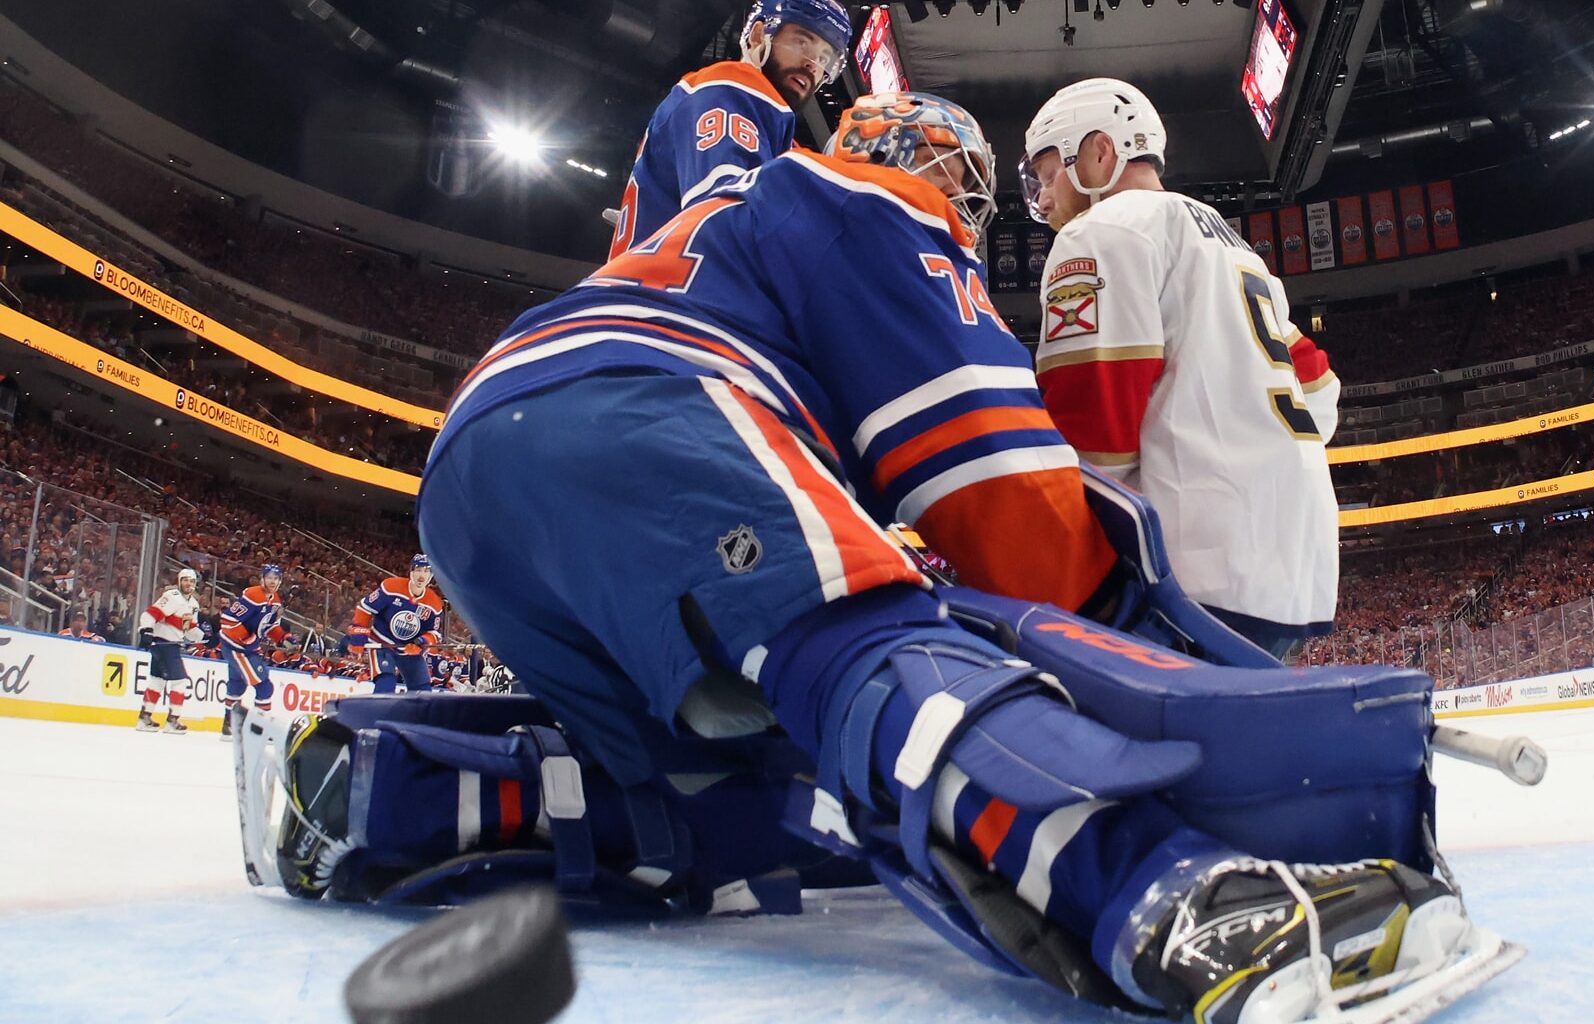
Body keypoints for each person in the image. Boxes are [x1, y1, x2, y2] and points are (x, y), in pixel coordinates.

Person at [241, 93, 1485, 1024]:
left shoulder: (726, 224)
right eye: (972, 177)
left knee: (718, 805)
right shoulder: (871, 199)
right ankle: (1180, 902)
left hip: (483, 472)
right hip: (653, 405)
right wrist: (1121, 646)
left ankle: (383, 787)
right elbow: (998, 487)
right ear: (917, 159)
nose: (979, 200)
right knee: (876, 652)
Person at [1019, 78, 1340, 658]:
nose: (1041, 199)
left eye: (1047, 175)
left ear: (1099, 152)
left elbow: (1095, 436)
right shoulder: (1232, 242)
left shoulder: (1099, 233)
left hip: (1196, 569)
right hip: (1295, 561)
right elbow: (1319, 391)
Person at [604, 0, 851, 256]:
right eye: (803, 42)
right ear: (758, 35)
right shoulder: (729, 86)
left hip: (665, 285)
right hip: (669, 289)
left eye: (824, 58)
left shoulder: (782, 140)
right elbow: (724, 221)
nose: (814, 64)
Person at [348, 554, 446, 694]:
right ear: (411, 571)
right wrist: (358, 638)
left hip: (408, 648)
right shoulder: (392, 587)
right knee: (386, 682)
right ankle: (379, 715)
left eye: (426, 571)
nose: (421, 575)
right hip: (382, 643)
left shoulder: (434, 603)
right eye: (418, 570)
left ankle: (417, 716)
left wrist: (421, 642)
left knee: (423, 690)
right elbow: (365, 608)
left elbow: (434, 633)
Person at [219, 563, 290, 735]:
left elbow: (269, 627)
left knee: (237, 685)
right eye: (269, 577)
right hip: (237, 647)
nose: (272, 581)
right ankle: (260, 729)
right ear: (262, 579)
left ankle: (229, 726)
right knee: (264, 687)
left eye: (276, 578)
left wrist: (285, 638)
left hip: (245, 647)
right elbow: (227, 620)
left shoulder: (276, 600)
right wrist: (248, 638)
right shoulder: (253, 595)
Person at [135, 568, 203, 733]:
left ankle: (144, 718)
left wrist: (205, 637)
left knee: (157, 681)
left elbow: (189, 630)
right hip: (163, 644)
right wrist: (145, 630)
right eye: (185, 580)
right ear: (179, 581)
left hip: (170, 645)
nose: (189, 584)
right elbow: (150, 614)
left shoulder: (193, 604)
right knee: (180, 680)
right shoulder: (172, 597)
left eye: (192, 581)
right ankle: (173, 720)